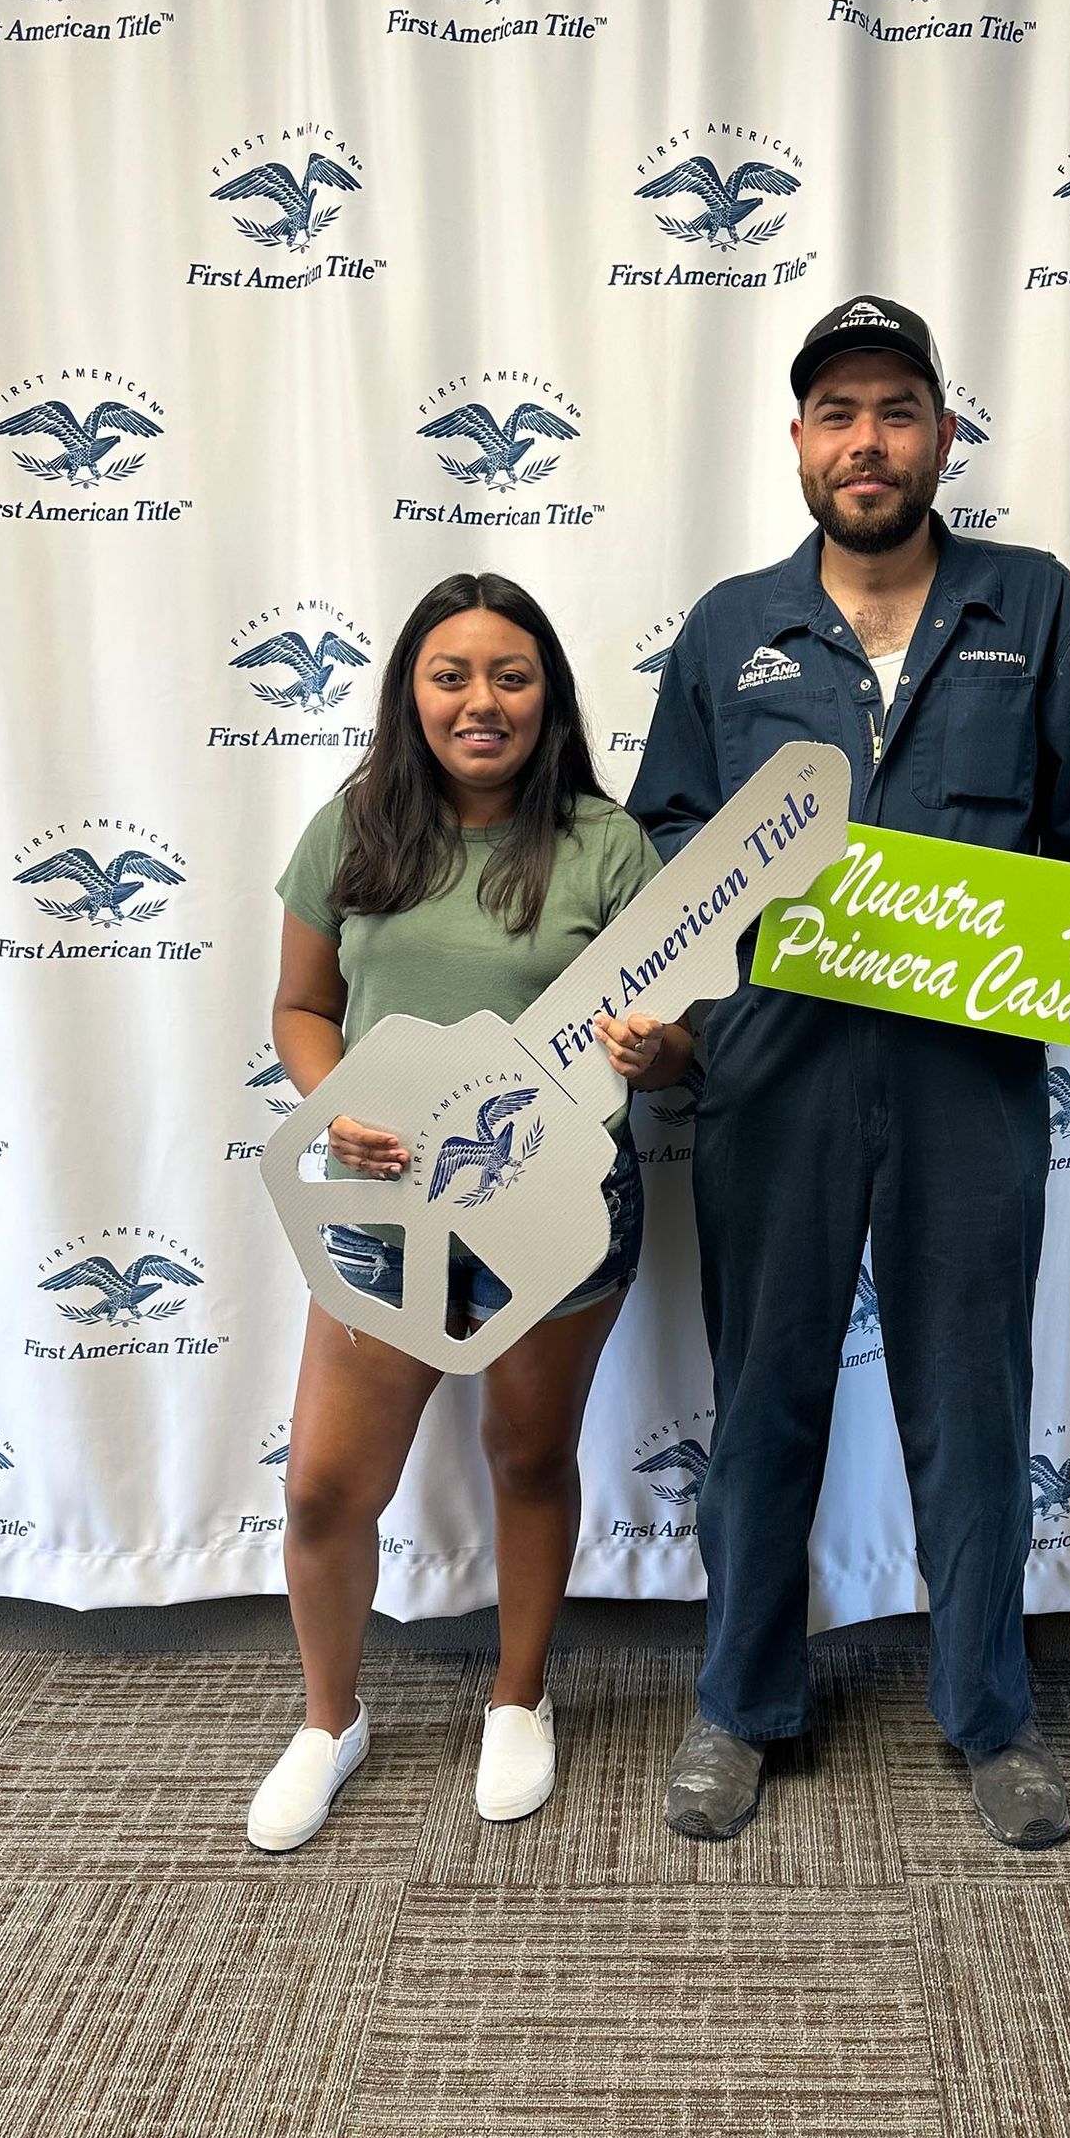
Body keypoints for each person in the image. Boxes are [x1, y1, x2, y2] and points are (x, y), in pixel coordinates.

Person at [629, 296, 1070, 1850]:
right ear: (798, 444)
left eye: (897, 411)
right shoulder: (730, 629)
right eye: (837, 414)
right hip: (774, 1068)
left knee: (974, 1401)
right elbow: (662, 843)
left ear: (943, 438)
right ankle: (739, 1703)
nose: (867, 441)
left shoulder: (1028, 606)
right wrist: (678, 991)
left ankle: (990, 1714)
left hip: (966, 1074)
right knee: (763, 1396)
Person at [251, 572, 691, 1850]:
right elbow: (301, 1006)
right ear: (413, 693)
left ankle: (518, 1695)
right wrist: (335, 1103)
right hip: (386, 1211)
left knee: (529, 1456)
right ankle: (330, 1721)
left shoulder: (609, 846)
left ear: (549, 695)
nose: (480, 700)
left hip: (554, 1211)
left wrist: (654, 1048)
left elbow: (680, 1054)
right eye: (451, 675)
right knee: (325, 1488)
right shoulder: (353, 828)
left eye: (511, 674)